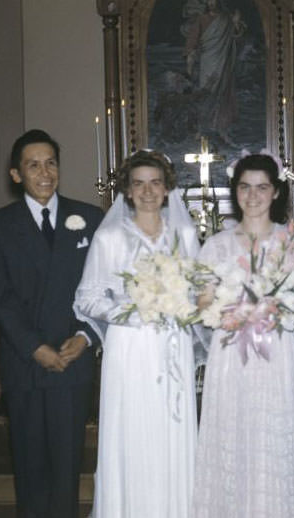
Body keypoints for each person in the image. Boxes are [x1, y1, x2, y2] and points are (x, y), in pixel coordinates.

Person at [0, 129, 104, 518]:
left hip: (74, 360)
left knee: (68, 470)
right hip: (26, 362)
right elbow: (0, 297)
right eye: (33, 165)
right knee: (30, 471)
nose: (44, 172)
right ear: (16, 175)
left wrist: (86, 336)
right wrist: (35, 347)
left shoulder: (91, 218)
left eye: (51, 162)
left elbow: (108, 287)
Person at [73, 150, 200, 517]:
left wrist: (179, 304)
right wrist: (133, 310)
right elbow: (89, 297)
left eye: (155, 183)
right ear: (127, 191)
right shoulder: (110, 236)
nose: (147, 191)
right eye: (139, 183)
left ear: (167, 188)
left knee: (170, 433)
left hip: (173, 344)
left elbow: (199, 290)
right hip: (128, 346)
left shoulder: (186, 233)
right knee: (133, 434)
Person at [193, 154, 294, 517]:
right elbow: (203, 304)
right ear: (235, 191)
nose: (253, 195)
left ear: (276, 192)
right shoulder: (216, 245)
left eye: (262, 187)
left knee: (274, 440)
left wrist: (272, 309)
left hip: (278, 353)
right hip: (231, 354)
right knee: (232, 437)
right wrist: (233, 312)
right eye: (245, 187)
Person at [183, 0, 245, 144]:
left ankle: (222, 128)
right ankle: (201, 129)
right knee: (206, 93)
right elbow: (192, 40)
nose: (212, 3)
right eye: (209, 0)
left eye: (214, 0)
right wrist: (190, 59)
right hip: (208, 62)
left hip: (224, 61)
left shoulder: (226, 18)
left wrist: (236, 23)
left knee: (223, 95)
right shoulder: (201, 19)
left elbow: (238, 38)